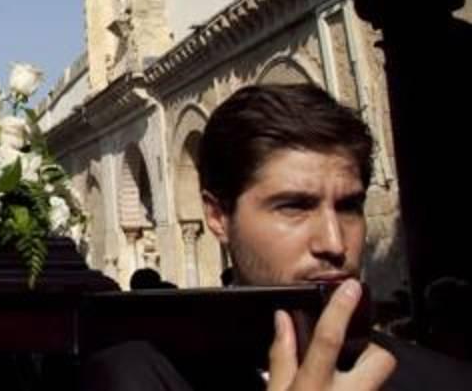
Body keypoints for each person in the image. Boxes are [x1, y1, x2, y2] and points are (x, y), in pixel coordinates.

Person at [82, 84, 472, 390]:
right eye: (294, 207)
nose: (334, 243)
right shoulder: (142, 377)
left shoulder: (443, 379)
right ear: (218, 216)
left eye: (349, 206)